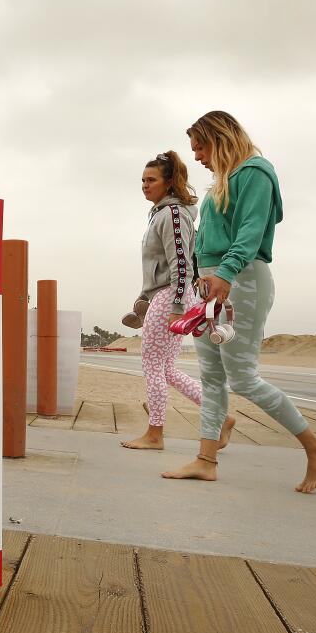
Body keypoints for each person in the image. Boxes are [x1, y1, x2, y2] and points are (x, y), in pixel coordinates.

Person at [162, 112, 316, 493]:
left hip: (240, 279)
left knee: (243, 377)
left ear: (221, 138)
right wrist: (200, 281)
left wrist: (224, 274)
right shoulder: (220, 184)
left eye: (201, 147)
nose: (199, 157)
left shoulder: (255, 172)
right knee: (212, 378)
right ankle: (206, 461)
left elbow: (252, 231)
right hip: (211, 283)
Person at [121, 151, 236, 451]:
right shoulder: (162, 214)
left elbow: (181, 264)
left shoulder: (172, 214)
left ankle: (155, 434)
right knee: (168, 369)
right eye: (142, 180)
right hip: (164, 295)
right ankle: (221, 418)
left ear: (169, 182)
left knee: (152, 366)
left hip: (170, 296)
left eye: (152, 180)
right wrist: (143, 297)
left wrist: (175, 308)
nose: (145, 185)